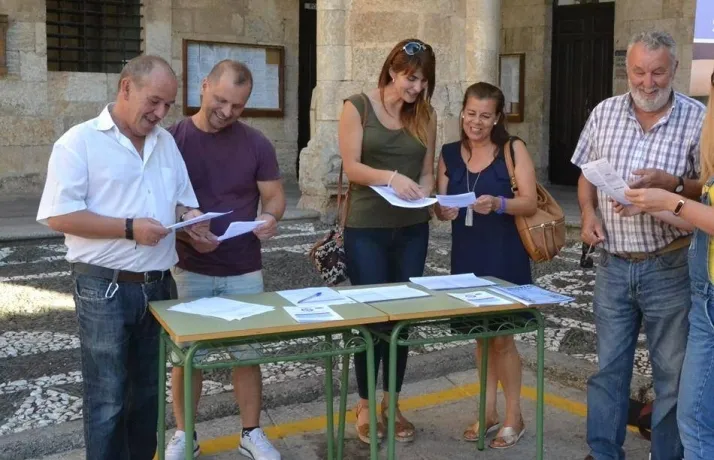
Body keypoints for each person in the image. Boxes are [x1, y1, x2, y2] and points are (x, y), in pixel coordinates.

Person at [36, 55, 211, 460]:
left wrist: (192, 218)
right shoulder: (79, 142)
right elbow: (59, 215)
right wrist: (129, 228)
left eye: (168, 105)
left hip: (158, 286)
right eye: (154, 101)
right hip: (103, 286)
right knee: (108, 398)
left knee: (148, 395)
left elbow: (182, 200)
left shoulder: (165, 143)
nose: (161, 113)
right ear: (126, 87)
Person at [571, 30, 706, 460]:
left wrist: (673, 184)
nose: (648, 83)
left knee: (672, 375)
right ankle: (603, 452)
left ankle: (665, 455)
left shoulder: (699, 118)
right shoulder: (604, 112)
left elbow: (707, 189)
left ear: (675, 68)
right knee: (609, 368)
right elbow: (586, 174)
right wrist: (588, 214)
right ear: (626, 70)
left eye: (658, 72)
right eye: (639, 72)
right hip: (612, 263)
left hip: (669, 264)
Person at [164, 60, 285, 460]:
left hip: (243, 266)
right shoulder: (172, 139)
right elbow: (156, 200)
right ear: (203, 86)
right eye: (221, 100)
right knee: (187, 358)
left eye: (238, 105)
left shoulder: (256, 143)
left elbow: (274, 197)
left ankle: (251, 433)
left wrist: (270, 218)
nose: (227, 111)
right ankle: (185, 435)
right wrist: (186, 229)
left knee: (247, 354)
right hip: (189, 266)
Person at [338, 38, 436, 444]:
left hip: (412, 228)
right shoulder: (357, 106)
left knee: (402, 318)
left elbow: (427, 171)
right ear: (393, 71)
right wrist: (392, 178)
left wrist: (428, 193)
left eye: (423, 81)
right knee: (372, 317)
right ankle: (364, 404)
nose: (416, 88)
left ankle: (391, 403)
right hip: (367, 227)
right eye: (411, 78)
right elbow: (352, 167)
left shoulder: (426, 114)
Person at [613, 68, 714, 460]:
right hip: (704, 295)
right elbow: (700, 220)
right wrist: (647, 204)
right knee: (696, 418)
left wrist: (673, 200)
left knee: (696, 422)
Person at [434, 82, 537, 448]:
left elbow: (530, 202)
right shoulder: (448, 153)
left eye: (485, 116)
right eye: (471, 114)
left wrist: (499, 204)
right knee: (480, 338)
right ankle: (487, 411)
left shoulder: (512, 149)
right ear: (462, 112)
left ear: (497, 118)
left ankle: (514, 416)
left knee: (503, 339)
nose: (476, 122)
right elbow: (440, 202)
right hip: (467, 254)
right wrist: (442, 210)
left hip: (504, 254)